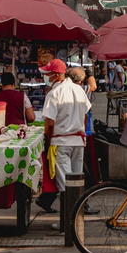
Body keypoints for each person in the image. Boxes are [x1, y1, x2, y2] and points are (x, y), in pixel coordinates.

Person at [37, 58, 91, 212]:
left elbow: (50, 123)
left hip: (61, 143)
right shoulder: (79, 90)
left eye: (48, 74)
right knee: (77, 180)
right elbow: (86, 115)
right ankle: (76, 217)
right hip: (78, 141)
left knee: (66, 184)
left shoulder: (55, 93)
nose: (46, 77)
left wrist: (47, 138)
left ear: (55, 75)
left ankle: (68, 222)